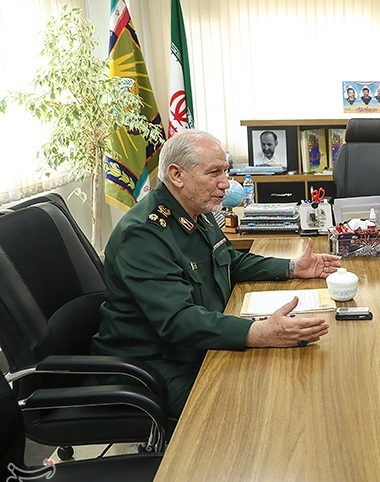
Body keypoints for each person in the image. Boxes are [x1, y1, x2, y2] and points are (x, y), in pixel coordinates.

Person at [91, 129, 342, 418]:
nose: (225, 183)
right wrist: (257, 332)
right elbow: (178, 321)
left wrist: (292, 267)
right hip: (156, 365)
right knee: (256, 409)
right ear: (177, 175)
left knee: (287, 382)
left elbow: (229, 261)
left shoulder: (197, 209)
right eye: (214, 173)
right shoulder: (143, 234)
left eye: (226, 171)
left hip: (197, 347)